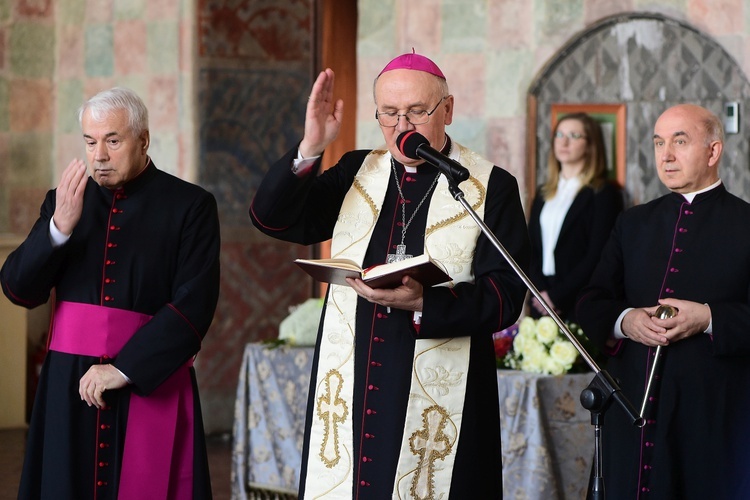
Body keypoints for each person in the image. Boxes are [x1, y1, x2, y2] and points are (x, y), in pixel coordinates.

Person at [249, 52, 529, 499]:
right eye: (389, 113)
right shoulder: (356, 172)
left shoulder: (488, 185)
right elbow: (273, 220)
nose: (403, 126)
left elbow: (507, 293)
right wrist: (311, 147)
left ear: (448, 110)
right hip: (354, 376)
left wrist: (426, 302)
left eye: (417, 111)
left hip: (441, 388)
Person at [0, 87, 220, 499]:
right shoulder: (64, 203)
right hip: (69, 386)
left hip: (148, 377)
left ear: (144, 140)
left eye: (112, 141)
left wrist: (124, 369)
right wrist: (58, 230)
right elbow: (17, 289)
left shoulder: (191, 206)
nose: (98, 155)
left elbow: (196, 303)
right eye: (89, 141)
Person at [576, 103, 750, 499]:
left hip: (714, 418)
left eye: (680, 141)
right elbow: (591, 299)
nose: (666, 154)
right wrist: (627, 320)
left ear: (713, 151)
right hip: (631, 409)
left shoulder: (745, 224)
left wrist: (707, 318)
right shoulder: (632, 222)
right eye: (658, 143)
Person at [527, 112, 622, 323]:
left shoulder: (603, 193)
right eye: (559, 134)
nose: (564, 141)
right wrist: (540, 291)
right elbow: (531, 247)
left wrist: (556, 296)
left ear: (590, 145)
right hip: (540, 299)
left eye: (574, 135)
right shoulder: (544, 192)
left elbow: (598, 254)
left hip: (578, 300)